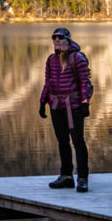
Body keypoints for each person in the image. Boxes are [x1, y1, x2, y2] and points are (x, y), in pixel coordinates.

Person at [38, 27, 93, 192]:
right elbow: (48, 82)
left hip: (74, 106)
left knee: (78, 141)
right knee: (62, 141)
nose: (56, 40)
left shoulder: (78, 58)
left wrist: (85, 103)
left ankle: (82, 178)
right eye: (54, 37)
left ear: (68, 39)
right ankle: (66, 176)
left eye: (60, 37)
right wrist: (42, 102)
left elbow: (85, 82)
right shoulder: (51, 60)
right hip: (56, 105)